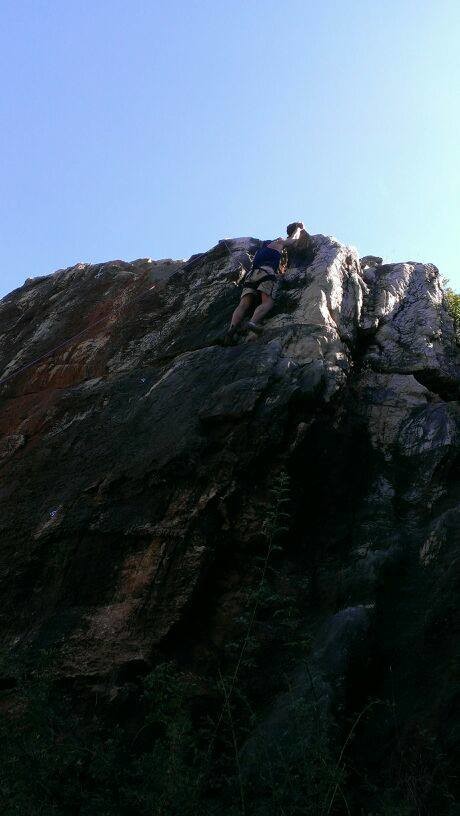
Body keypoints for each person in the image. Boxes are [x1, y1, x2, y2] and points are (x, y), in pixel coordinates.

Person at [225, 222, 305, 343]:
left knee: (243, 304)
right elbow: (292, 241)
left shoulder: (262, 248)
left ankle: (231, 329)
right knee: (267, 302)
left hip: (251, 275)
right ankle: (252, 323)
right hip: (266, 273)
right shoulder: (279, 242)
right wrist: (299, 228)